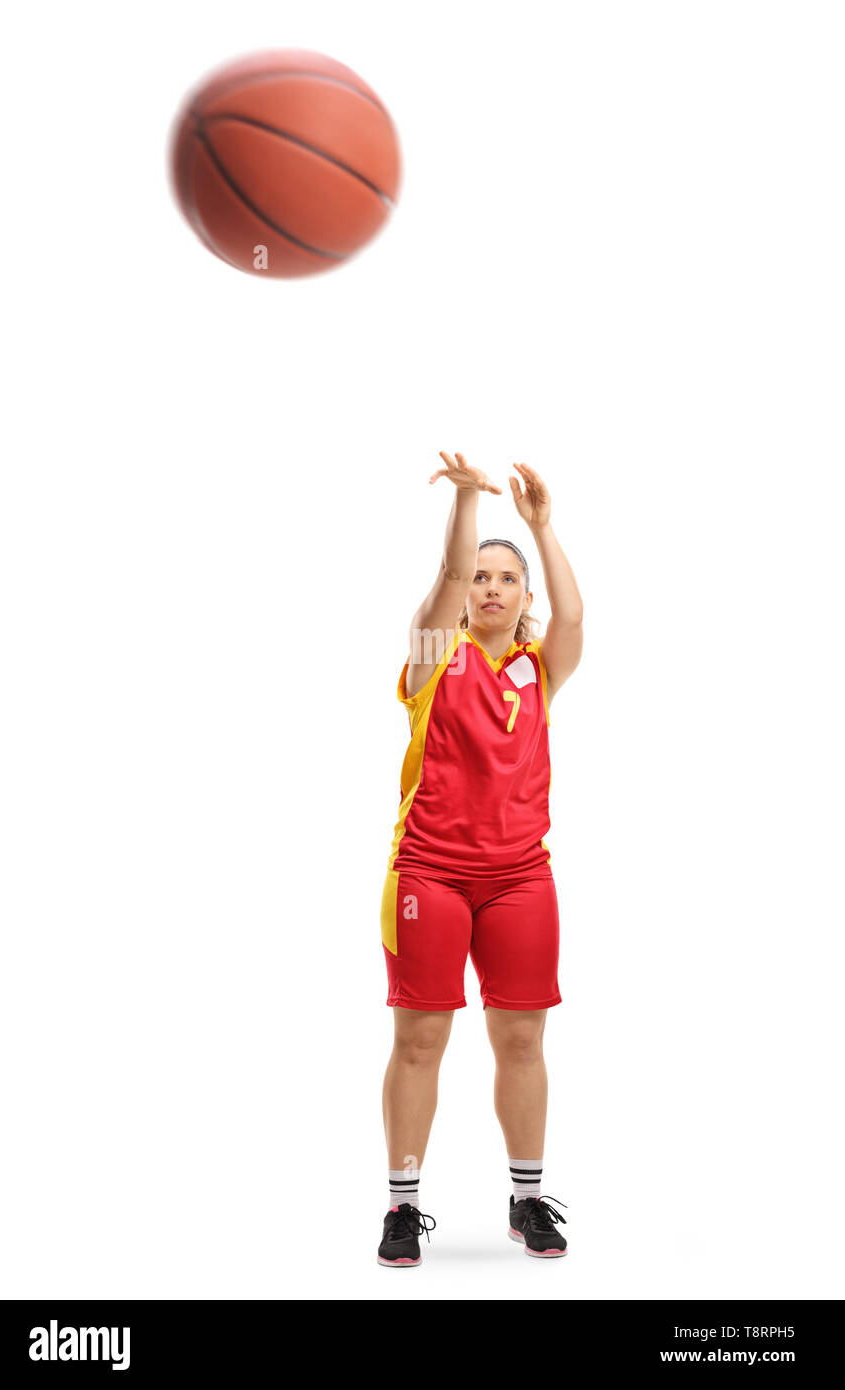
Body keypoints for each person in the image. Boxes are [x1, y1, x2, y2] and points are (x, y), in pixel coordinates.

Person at [377, 451, 584, 1267]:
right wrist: (467, 501)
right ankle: (402, 1206)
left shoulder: (539, 670)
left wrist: (540, 526)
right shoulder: (434, 660)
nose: (490, 588)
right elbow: (446, 574)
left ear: (523, 598)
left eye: (508, 580)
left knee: (523, 1041)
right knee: (421, 1039)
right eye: (482, 579)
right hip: (428, 872)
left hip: (519, 878)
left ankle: (527, 1198)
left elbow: (573, 619)